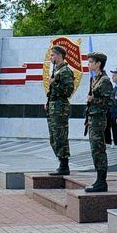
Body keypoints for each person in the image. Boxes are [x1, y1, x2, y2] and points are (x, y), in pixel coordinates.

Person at [83, 52, 114, 193]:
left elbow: (110, 101)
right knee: (94, 150)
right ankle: (99, 180)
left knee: (98, 149)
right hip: (92, 118)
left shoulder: (105, 80)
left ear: (98, 63)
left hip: (99, 119)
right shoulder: (94, 79)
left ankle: (102, 181)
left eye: (90, 61)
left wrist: (93, 100)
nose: (88, 64)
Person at [45, 45, 75, 176]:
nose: (51, 57)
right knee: (54, 137)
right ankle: (61, 162)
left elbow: (68, 91)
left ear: (59, 55)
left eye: (52, 55)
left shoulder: (65, 71)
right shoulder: (56, 70)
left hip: (60, 108)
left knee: (60, 136)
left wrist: (54, 83)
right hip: (53, 107)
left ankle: (64, 165)